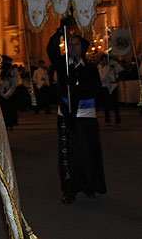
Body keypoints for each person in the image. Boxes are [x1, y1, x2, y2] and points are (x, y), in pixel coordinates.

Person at [47, 18, 106, 204]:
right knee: (69, 155)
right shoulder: (62, 65)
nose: (73, 47)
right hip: (67, 116)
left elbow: (97, 88)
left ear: (82, 47)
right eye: (70, 44)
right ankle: (69, 190)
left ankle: (89, 185)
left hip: (87, 116)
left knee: (88, 152)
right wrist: (60, 31)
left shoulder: (90, 67)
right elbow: (51, 49)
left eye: (76, 44)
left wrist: (82, 87)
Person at [98, 55, 123, 127]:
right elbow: (101, 77)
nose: (105, 61)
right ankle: (107, 120)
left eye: (106, 60)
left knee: (115, 104)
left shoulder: (113, 65)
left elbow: (121, 71)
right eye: (103, 60)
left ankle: (118, 121)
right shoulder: (100, 67)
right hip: (105, 87)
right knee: (106, 104)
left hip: (113, 86)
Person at [0, 56, 19, 129]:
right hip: (1, 92)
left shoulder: (13, 71)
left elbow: (15, 82)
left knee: (11, 109)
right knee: (3, 110)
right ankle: (4, 124)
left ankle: (10, 123)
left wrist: (8, 93)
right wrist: (1, 92)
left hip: (10, 92)